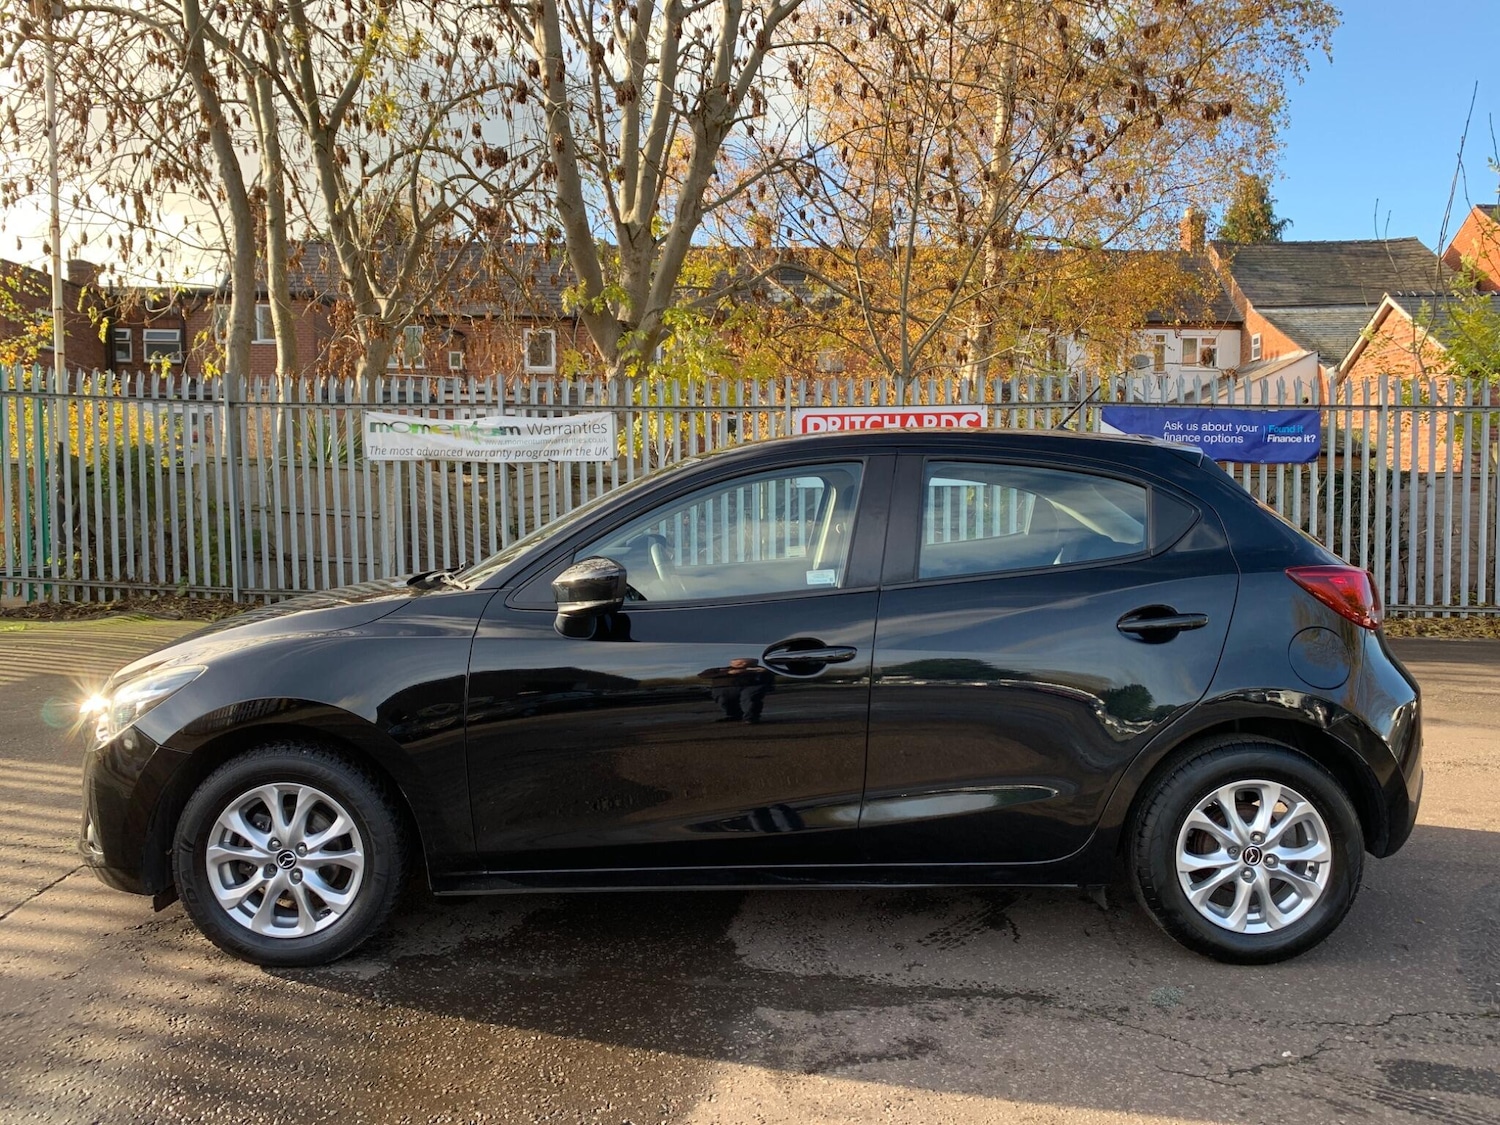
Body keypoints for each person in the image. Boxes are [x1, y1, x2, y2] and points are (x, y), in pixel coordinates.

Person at [698, 657, 774, 723]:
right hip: (723, 687)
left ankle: (751, 718)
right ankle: (734, 716)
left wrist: (765, 671)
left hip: (751, 686)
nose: (742, 663)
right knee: (724, 701)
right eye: (739, 661)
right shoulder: (720, 669)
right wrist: (728, 672)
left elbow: (774, 675)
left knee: (749, 699)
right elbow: (703, 675)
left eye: (745, 661)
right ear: (732, 662)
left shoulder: (758, 669)